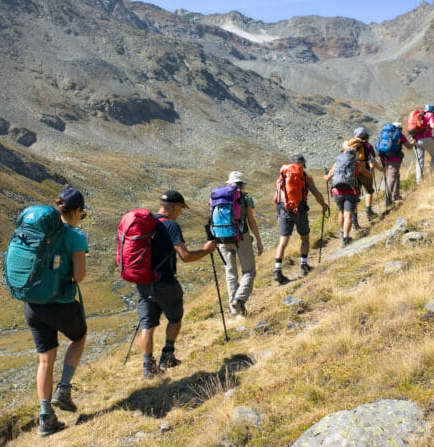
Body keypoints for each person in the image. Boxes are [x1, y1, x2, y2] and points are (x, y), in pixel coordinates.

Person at [24, 187, 90, 437]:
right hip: (59, 304)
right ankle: (63, 389)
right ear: (75, 211)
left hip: (32, 305)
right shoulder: (74, 235)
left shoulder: (39, 230)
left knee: (44, 360)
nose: (81, 217)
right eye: (81, 213)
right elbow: (79, 276)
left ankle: (46, 418)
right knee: (79, 336)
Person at [138, 190, 216, 379]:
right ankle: (167, 356)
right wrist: (206, 250)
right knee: (175, 318)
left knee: (147, 325)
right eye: (180, 208)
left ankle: (148, 366)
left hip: (143, 282)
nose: (180, 212)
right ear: (172, 207)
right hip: (165, 280)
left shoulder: (145, 223)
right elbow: (185, 256)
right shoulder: (171, 225)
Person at [272, 154, 329, 284]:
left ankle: (277, 270)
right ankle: (303, 265)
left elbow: (275, 199)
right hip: (300, 211)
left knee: (283, 242)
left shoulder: (282, 177)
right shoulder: (305, 176)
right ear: (303, 164)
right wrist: (324, 205)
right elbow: (316, 194)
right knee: (304, 238)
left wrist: (279, 215)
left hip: (285, 211)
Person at [214, 171, 263, 317]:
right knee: (249, 271)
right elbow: (251, 220)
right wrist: (259, 241)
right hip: (241, 237)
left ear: (229, 183)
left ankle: (235, 312)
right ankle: (239, 299)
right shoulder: (245, 197)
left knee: (231, 274)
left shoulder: (217, 197)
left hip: (221, 239)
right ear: (242, 184)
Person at [324, 141, 360, 245]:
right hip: (351, 191)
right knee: (348, 216)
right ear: (354, 153)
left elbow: (328, 178)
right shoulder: (356, 163)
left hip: (337, 191)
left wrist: (325, 176)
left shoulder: (337, 162)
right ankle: (346, 238)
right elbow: (368, 175)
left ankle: (341, 230)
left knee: (341, 212)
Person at [347, 127, 383, 222]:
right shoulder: (368, 146)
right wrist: (381, 169)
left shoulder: (351, 145)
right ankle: (368, 210)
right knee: (368, 190)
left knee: (354, 196)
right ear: (366, 135)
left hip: (352, 172)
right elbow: (373, 161)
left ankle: (354, 221)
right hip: (365, 171)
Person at [376, 122, 413, 206]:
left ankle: (395, 195)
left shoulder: (385, 134)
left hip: (384, 158)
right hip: (394, 159)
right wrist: (414, 141)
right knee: (392, 178)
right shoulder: (399, 134)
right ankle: (388, 200)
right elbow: (409, 147)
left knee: (396, 175)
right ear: (399, 128)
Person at [411, 105, 434, 183]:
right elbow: (432, 126)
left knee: (419, 160)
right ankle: (432, 175)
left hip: (416, 140)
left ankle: (419, 181)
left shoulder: (420, 115)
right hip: (426, 138)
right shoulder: (430, 115)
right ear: (432, 111)